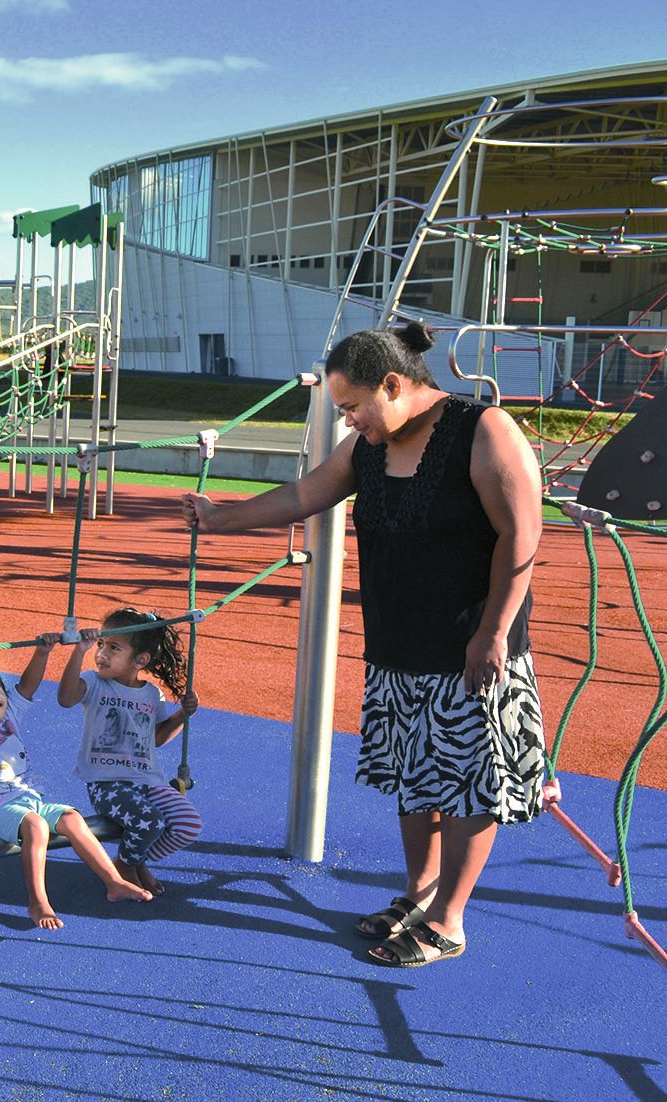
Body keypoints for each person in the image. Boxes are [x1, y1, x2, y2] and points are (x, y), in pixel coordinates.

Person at [182, 321, 543, 968]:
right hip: (397, 645)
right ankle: (419, 895)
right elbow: (302, 495)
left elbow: (520, 537)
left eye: (351, 406)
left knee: (470, 787)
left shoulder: (482, 430)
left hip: (471, 648)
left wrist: (490, 635)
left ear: (395, 384)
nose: (348, 420)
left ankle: (449, 921)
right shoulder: (367, 449)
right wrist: (218, 518)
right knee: (415, 781)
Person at [0, 635, 151, 930]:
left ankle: (113, 881)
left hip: (28, 800)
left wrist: (42, 652)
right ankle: (38, 900)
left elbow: (27, 687)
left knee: (73, 818)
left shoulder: (8, 715)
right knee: (36, 825)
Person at [56, 608, 203, 895]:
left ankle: (132, 860)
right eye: (101, 645)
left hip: (147, 781)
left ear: (141, 659)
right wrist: (79, 651)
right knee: (151, 821)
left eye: (113, 647)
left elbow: (157, 738)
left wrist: (181, 716)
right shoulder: (95, 683)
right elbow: (65, 698)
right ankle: (126, 866)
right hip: (108, 783)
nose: (102, 653)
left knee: (188, 825)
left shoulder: (151, 694)